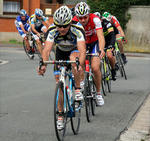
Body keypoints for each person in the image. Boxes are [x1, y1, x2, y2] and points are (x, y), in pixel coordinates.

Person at [38, 6, 86, 130]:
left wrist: (80, 66)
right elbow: (47, 50)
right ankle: (60, 116)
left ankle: (77, 89)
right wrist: (43, 65)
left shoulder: (78, 29)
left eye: (65, 26)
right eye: (59, 26)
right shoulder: (52, 30)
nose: (62, 28)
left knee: (74, 60)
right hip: (60, 51)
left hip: (74, 50)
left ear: (70, 23)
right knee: (58, 82)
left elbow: (82, 51)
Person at [73, 2, 105, 106]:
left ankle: (98, 93)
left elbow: (100, 36)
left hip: (94, 43)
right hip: (81, 43)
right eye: (80, 18)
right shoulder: (73, 21)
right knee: (79, 63)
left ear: (89, 14)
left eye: (85, 17)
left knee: (95, 68)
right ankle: (81, 82)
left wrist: (101, 49)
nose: (82, 20)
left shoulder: (95, 19)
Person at [94, 12, 116, 81]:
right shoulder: (93, 25)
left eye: (99, 20)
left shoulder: (107, 23)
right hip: (99, 42)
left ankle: (113, 70)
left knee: (109, 55)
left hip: (108, 41)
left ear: (101, 19)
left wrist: (112, 44)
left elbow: (112, 34)